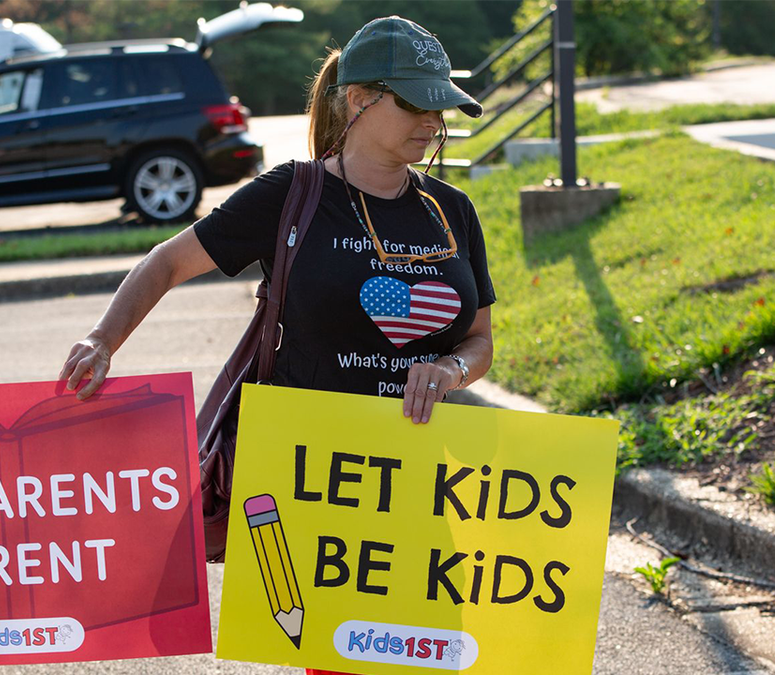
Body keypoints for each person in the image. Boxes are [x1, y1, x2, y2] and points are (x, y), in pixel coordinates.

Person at [59, 15, 494, 674]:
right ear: (358, 99)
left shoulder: (452, 210)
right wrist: (102, 338)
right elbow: (165, 262)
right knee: (343, 659)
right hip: (315, 483)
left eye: (442, 101)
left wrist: (451, 368)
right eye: (414, 100)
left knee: (435, 654)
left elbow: (480, 339)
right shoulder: (294, 194)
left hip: (416, 476)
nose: (434, 118)